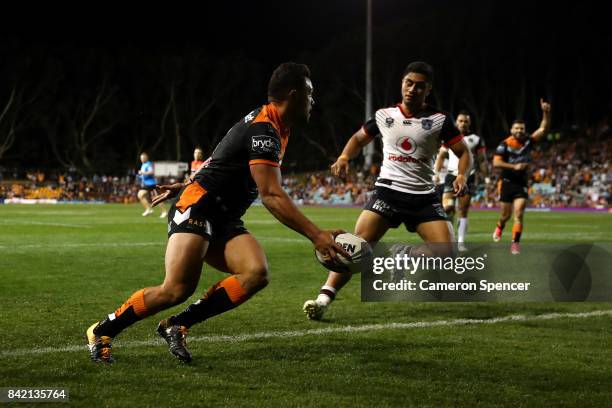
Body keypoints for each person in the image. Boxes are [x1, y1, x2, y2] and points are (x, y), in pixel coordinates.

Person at [86, 62, 349, 363]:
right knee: (175, 289)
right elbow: (271, 195)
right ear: (293, 94)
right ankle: (102, 331)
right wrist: (317, 235)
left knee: (256, 273)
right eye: (310, 93)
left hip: (222, 214)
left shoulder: (271, 124)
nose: (313, 101)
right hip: (199, 207)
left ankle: (176, 325)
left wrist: (186, 181)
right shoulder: (265, 129)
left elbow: (220, 158)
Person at [303, 61, 472, 320]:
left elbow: (463, 152)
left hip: (423, 197)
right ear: (402, 84)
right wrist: (345, 156)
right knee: (354, 247)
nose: (413, 89)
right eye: (409, 83)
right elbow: (359, 138)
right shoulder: (384, 116)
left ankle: (406, 254)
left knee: (446, 252)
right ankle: (323, 299)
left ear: (429, 90)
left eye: (420, 86)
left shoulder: (440, 120)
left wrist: (461, 174)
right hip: (388, 193)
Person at [492, 98, 551, 254]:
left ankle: (515, 243)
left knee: (519, 214)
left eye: (522, 128)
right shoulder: (504, 144)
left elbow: (543, 129)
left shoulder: (528, 141)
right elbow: (496, 163)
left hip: (521, 183)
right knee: (505, 215)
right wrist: (514, 166)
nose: (519, 131)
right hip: (506, 182)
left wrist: (545, 112)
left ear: (524, 130)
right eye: (516, 128)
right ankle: (499, 226)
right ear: (511, 130)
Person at [434, 111, 489, 251]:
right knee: (447, 208)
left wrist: (486, 176)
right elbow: (441, 156)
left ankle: (460, 242)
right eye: (460, 121)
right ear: (456, 122)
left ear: (469, 123)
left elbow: (482, 159)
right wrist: (436, 173)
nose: (463, 123)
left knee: (462, 210)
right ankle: (450, 239)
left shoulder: (476, 139)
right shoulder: (449, 137)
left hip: (468, 177)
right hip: (451, 176)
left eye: (466, 121)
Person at [137, 152, 168, 218]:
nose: (141, 159)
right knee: (143, 195)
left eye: (143, 158)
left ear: (146, 158)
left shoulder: (148, 164)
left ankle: (161, 211)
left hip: (151, 184)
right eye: (141, 158)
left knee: (142, 195)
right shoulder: (143, 165)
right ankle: (150, 209)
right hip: (147, 184)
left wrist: (142, 172)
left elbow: (151, 172)